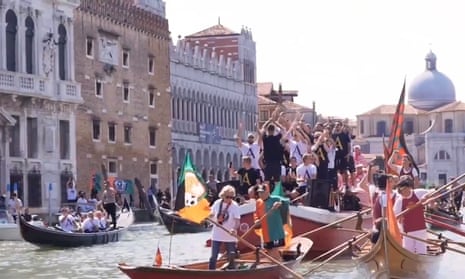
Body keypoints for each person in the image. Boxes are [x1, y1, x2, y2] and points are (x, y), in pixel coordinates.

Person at [393, 176, 431, 254]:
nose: (404, 192)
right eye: (401, 191)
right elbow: (395, 216)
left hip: (420, 229)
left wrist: (427, 198)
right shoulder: (399, 201)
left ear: (409, 188)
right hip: (407, 232)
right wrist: (400, 217)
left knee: (421, 252)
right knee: (408, 252)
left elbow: (433, 193)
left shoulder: (418, 193)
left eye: (405, 190)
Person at [208, 185, 240, 270]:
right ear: (222, 195)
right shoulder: (217, 203)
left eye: (231, 197)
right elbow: (211, 214)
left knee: (231, 257)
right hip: (217, 235)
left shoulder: (235, 206)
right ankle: (211, 274)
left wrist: (234, 229)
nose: (229, 199)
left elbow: (237, 221)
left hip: (230, 235)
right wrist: (209, 216)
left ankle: (232, 273)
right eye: (227, 197)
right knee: (213, 257)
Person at [254, 184, 286, 252]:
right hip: (265, 233)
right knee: (269, 251)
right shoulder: (258, 202)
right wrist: (256, 220)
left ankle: (278, 261)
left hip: (275, 233)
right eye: (259, 192)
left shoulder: (275, 199)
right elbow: (256, 213)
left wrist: (279, 204)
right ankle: (274, 262)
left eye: (262, 192)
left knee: (275, 251)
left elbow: (285, 202)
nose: (260, 194)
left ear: (268, 192)